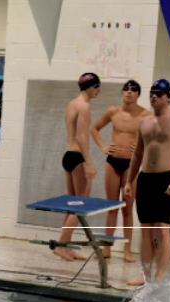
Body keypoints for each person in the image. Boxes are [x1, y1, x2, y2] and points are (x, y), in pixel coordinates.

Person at [124, 79, 170, 286]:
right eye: (152, 93)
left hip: (166, 179)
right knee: (145, 231)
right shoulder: (144, 122)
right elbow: (137, 154)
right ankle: (145, 276)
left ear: (168, 97)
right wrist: (129, 182)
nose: (154, 96)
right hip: (145, 179)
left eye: (159, 94)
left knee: (163, 229)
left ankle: (160, 276)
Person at [90, 80, 150, 263]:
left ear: (138, 94)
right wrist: (103, 147)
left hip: (131, 166)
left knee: (127, 209)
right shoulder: (113, 111)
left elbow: (154, 138)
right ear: (122, 92)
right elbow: (94, 128)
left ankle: (127, 250)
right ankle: (107, 248)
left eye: (133, 90)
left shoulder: (145, 115)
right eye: (126, 89)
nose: (129, 92)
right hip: (113, 162)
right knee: (111, 207)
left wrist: (142, 152)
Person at [55, 73, 101, 261]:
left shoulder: (71, 104)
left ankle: (65, 247)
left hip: (68, 156)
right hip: (78, 158)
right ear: (90, 86)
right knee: (81, 205)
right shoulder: (84, 106)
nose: (99, 90)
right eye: (97, 86)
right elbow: (82, 137)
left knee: (72, 205)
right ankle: (61, 244)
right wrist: (88, 163)